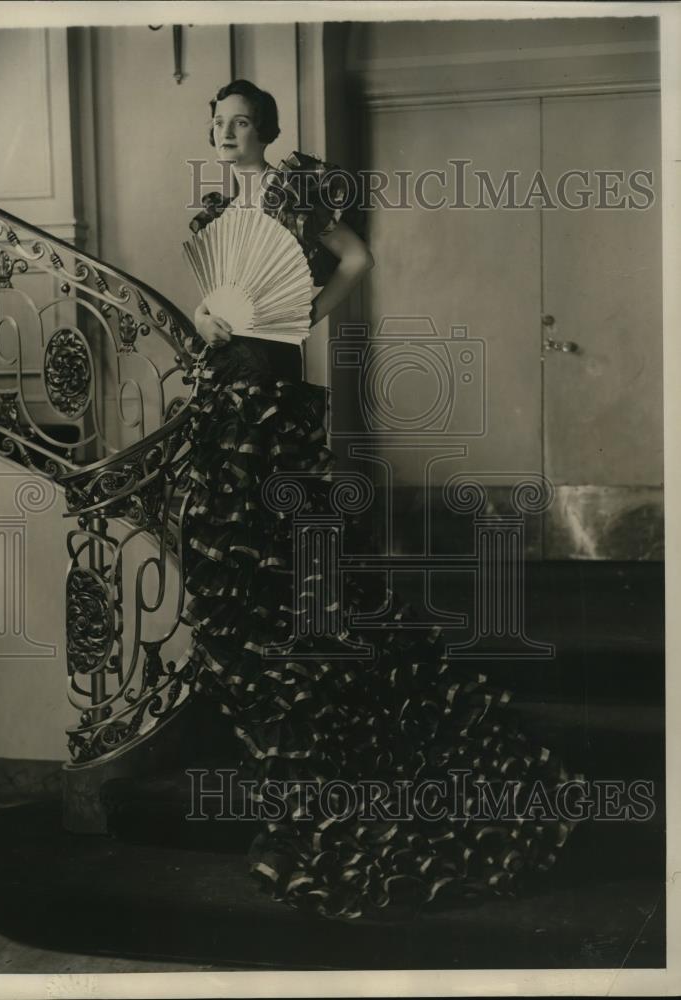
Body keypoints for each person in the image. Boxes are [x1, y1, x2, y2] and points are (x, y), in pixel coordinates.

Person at [172, 79, 584, 922]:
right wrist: (212, 324)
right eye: (218, 123)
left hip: (272, 378)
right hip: (226, 378)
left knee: (290, 543)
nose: (227, 134)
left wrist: (300, 316)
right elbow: (218, 296)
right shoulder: (213, 215)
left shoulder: (294, 190)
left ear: (267, 130)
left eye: (241, 123)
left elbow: (354, 258)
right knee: (231, 548)